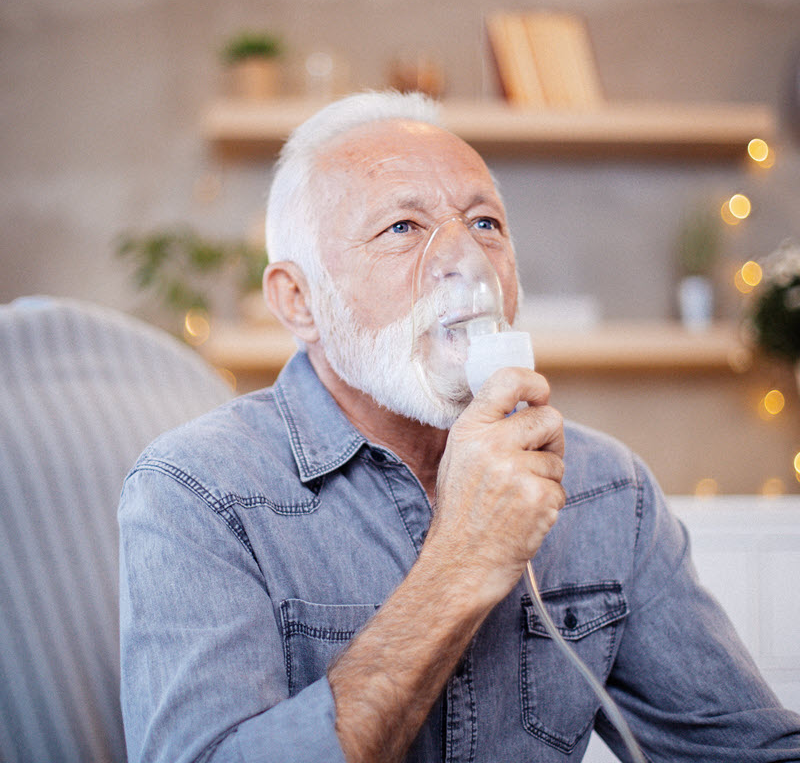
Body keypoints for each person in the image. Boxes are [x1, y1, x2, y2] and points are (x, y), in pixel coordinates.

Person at [119, 91, 800, 763]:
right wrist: (463, 560)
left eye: (484, 224)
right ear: (299, 301)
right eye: (402, 228)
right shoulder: (195, 491)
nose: (462, 261)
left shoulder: (606, 488)